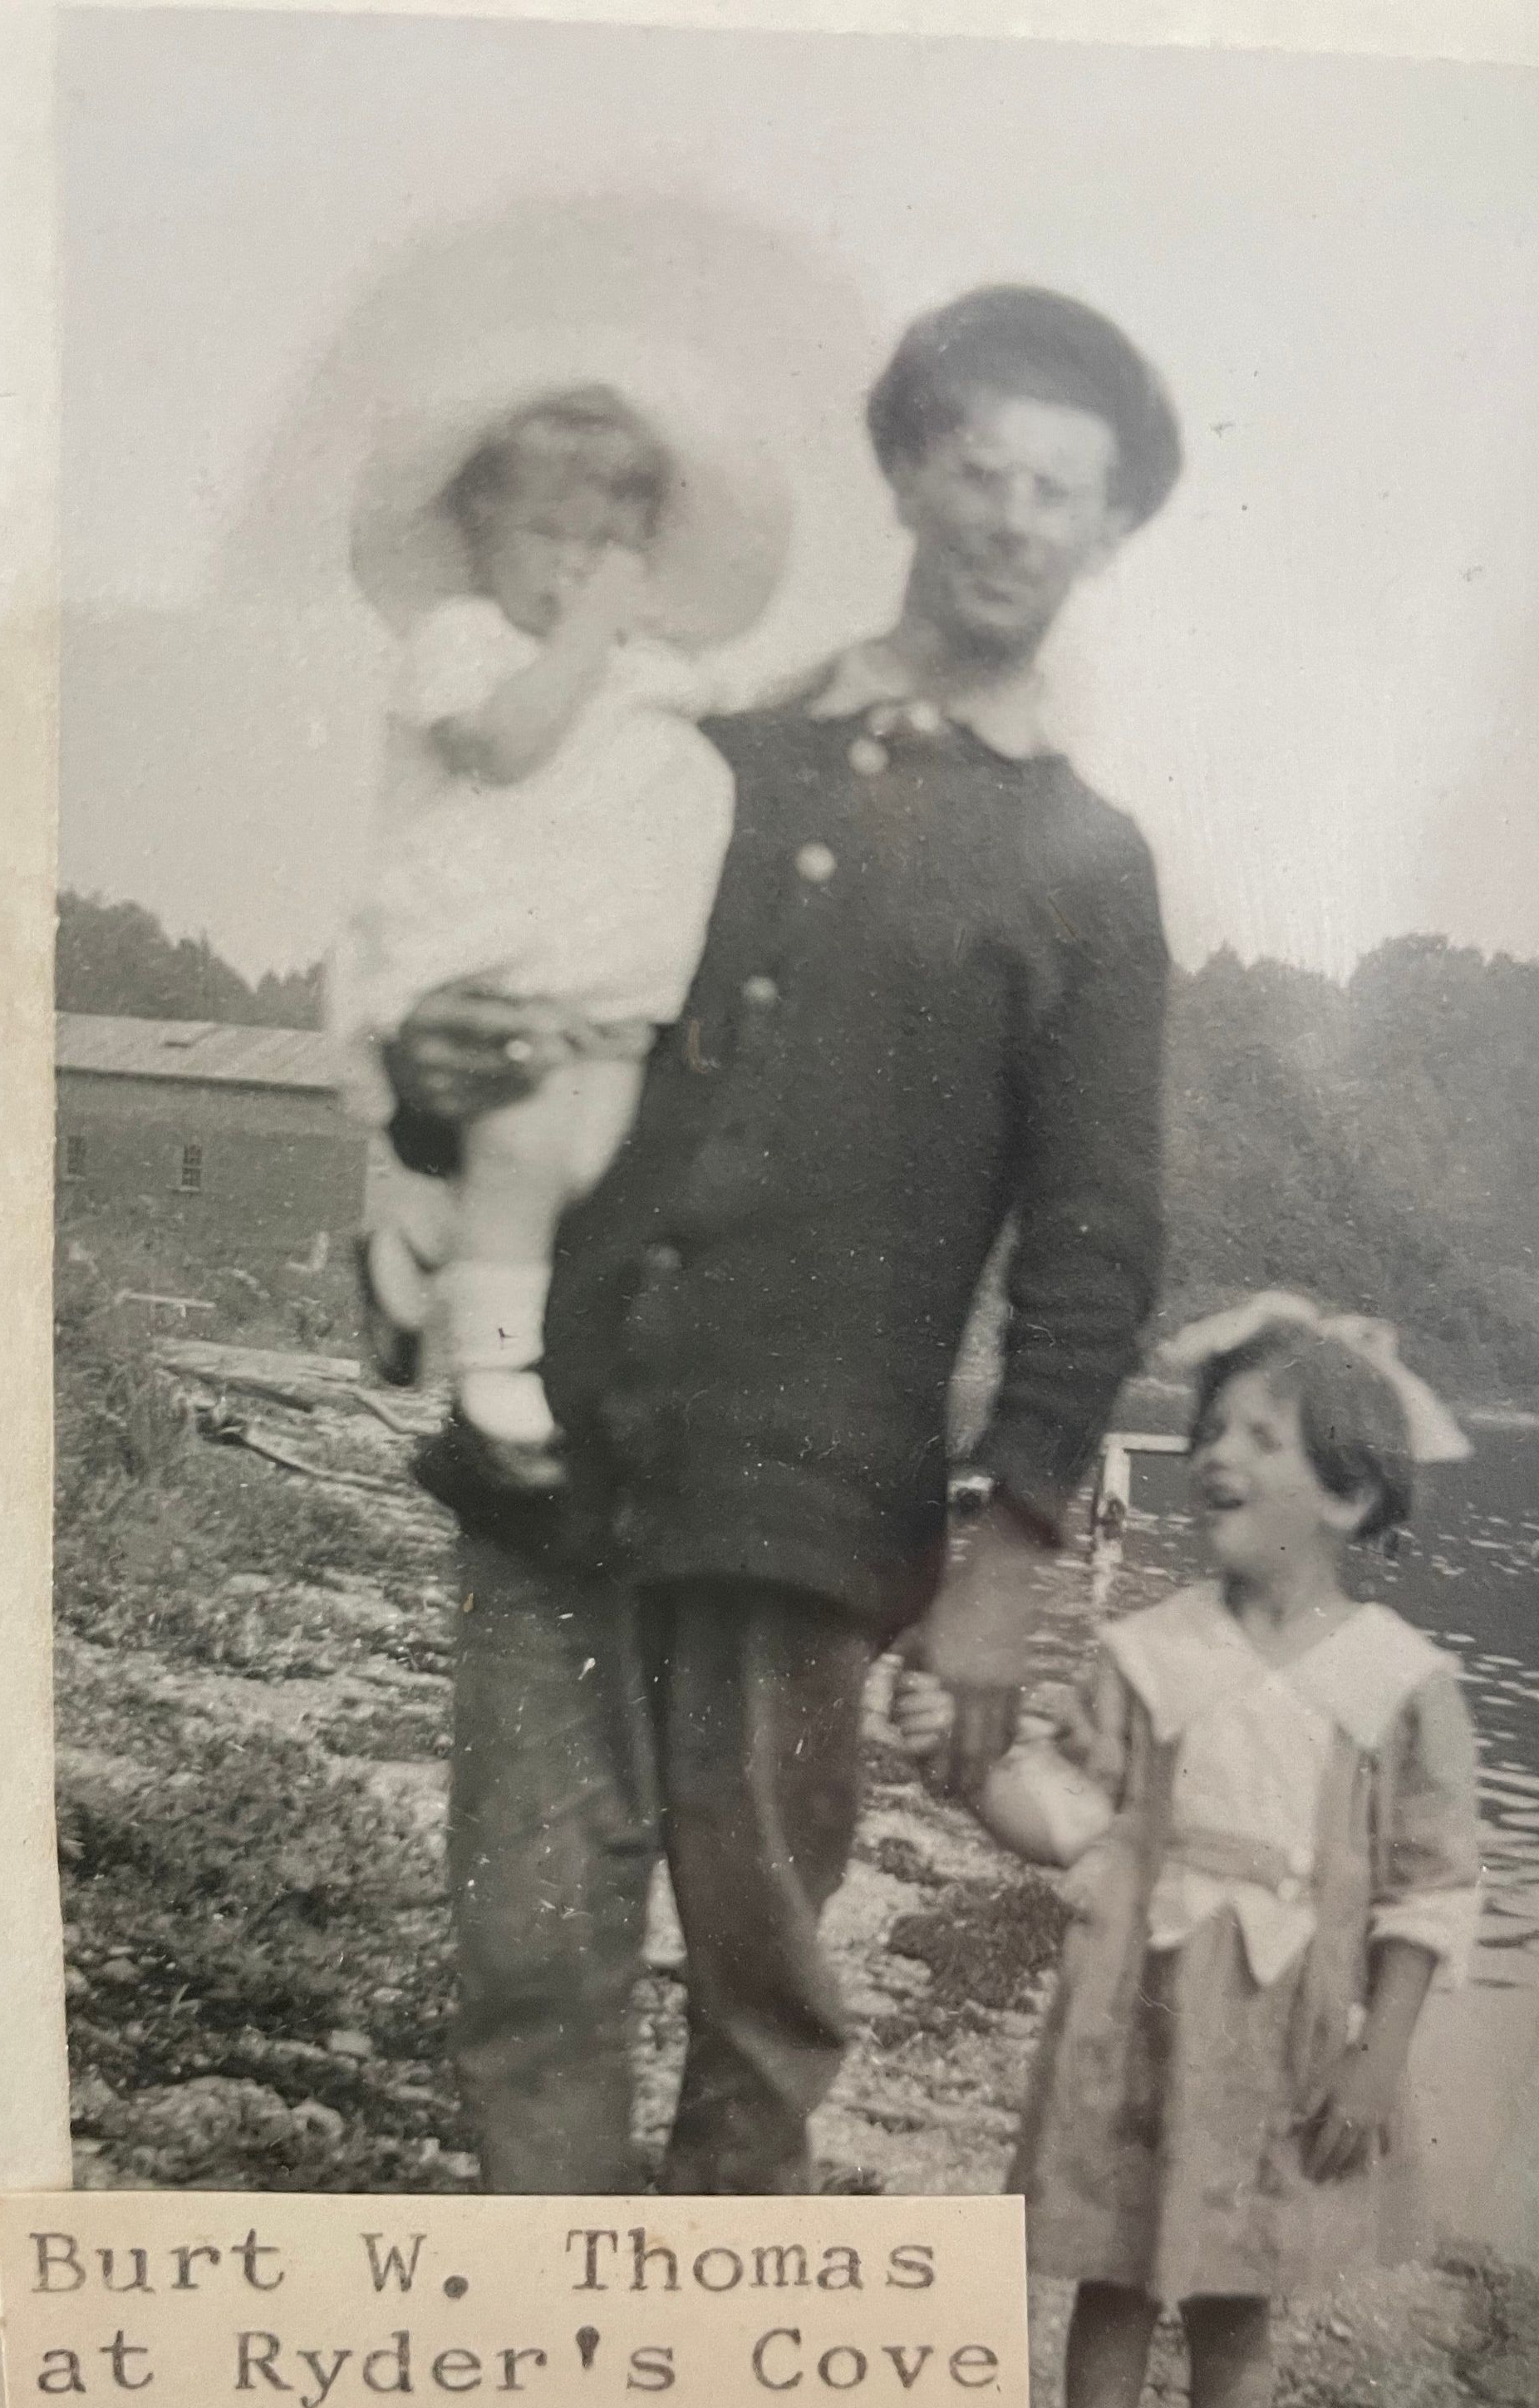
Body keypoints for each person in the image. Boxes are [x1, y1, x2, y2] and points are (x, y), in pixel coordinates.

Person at [382, 283, 1182, 2196]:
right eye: (979, 466)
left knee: (764, 1988)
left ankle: (714, 2344)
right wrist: (430, 1066)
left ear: (1107, 532)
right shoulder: (699, 746)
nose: (1010, 518)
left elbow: (1095, 1244)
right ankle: (544, 2329)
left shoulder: (1085, 865)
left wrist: (1002, 1573)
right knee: (526, 1964)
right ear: (906, 471)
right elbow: (509, 984)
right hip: (554, 1451)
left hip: (813, 1505)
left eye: (1059, 490)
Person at [907, 1295, 1481, 2408]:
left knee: (1238, 2294)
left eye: (1261, 1437)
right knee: (1114, 2272)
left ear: (1347, 1495)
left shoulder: (1396, 1682)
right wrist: (968, 1767)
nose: (1217, 1452)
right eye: (1212, 1429)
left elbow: (1431, 1886)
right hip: (1142, 2017)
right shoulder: (1150, 1654)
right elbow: (1068, 1815)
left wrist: (1378, 2052)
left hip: (1284, 2031)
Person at [334, 382, 770, 1479]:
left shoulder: (643, 667)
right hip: (489, 962)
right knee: (524, 1149)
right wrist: (586, 635)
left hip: (610, 980)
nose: (573, 565)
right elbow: (505, 746)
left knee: (575, 1166)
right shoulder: (464, 638)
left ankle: (417, 1241)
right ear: (479, 531)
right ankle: (495, 1376)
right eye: (544, 533)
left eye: (605, 543)